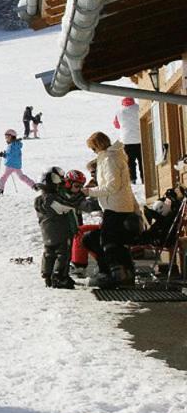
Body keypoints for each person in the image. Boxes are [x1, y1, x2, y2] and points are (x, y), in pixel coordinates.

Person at [81, 131, 141, 288]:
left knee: (109, 242)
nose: (93, 152)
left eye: (93, 148)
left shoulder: (109, 158)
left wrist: (90, 192)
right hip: (119, 205)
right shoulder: (113, 156)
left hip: (115, 207)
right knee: (114, 242)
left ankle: (116, 275)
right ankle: (123, 274)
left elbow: (112, 185)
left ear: (98, 145)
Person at [33, 167, 89, 289]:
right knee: (63, 253)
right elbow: (70, 204)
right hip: (61, 230)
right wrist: (82, 196)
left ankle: (47, 274)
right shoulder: (53, 199)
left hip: (47, 231)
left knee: (49, 252)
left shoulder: (40, 199)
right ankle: (59, 277)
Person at [112, 97, 142, 184]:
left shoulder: (119, 111)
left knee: (130, 162)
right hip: (140, 139)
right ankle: (145, 178)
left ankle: (132, 179)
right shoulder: (139, 108)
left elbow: (116, 125)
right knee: (142, 160)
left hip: (126, 140)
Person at [0, 129, 35, 195]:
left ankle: (0, 189)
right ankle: (34, 185)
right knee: (21, 176)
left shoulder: (11, 146)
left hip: (10, 165)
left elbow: (10, 155)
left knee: (4, 177)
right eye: (6, 137)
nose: (6, 139)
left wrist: (4, 155)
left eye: (7, 137)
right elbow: (13, 155)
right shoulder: (16, 145)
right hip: (17, 165)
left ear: (12, 137)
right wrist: (5, 155)